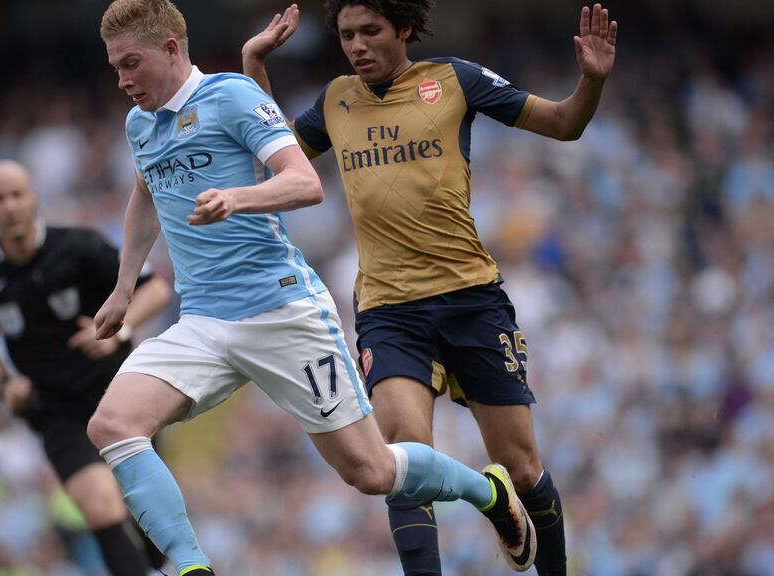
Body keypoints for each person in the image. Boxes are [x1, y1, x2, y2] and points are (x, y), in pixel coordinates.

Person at [86, 1, 538, 575]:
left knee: (371, 472)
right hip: (202, 322)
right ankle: (189, 566)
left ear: (172, 50)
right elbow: (145, 194)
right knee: (112, 426)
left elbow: (304, 183)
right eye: (115, 68)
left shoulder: (231, 97)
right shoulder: (139, 123)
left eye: (132, 63)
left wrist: (237, 198)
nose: (123, 80)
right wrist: (123, 289)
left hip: (282, 311)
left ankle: (488, 495)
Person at [242, 2, 618, 574]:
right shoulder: (335, 101)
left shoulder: (454, 81)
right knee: (406, 461)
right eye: (347, 35)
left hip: (471, 298)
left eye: (371, 31)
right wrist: (254, 66)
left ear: (405, 30)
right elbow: (269, 158)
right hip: (389, 310)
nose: (357, 45)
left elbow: (565, 124)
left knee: (521, 468)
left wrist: (590, 80)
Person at [0, 159, 173, 576]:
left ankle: (160, 563)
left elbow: (156, 291)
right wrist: (4, 383)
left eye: (17, 194)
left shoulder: (80, 248)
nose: (10, 206)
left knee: (147, 512)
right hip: (56, 412)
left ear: (33, 197)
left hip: (119, 393)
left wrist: (120, 328)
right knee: (99, 507)